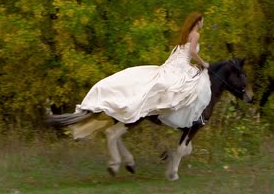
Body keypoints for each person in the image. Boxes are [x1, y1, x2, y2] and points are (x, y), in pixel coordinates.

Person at [75, 12, 212, 128]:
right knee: (196, 88)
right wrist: (203, 63)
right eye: (203, 21)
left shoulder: (184, 34)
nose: (203, 23)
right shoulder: (195, 35)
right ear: (198, 21)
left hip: (173, 65)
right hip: (180, 67)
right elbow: (192, 52)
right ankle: (194, 117)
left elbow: (178, 54)